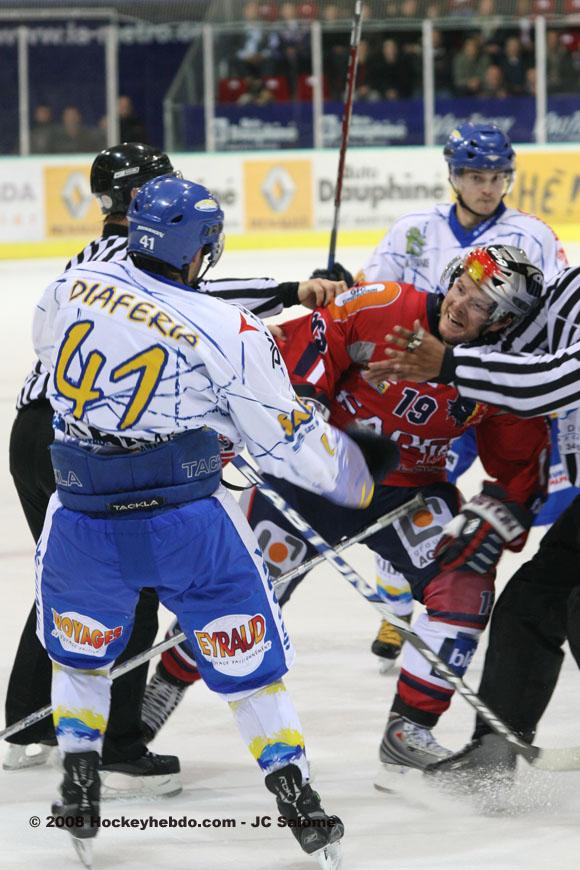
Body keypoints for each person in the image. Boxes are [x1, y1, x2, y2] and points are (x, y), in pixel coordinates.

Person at [33, 174, 390, 867]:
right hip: (186, 525)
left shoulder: (74, 281)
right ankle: (295, 794)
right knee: (249, 664)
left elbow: (61, 366)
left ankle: (79, 776)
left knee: (81, 655)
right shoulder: (231, 329)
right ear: (201, 248)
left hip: (81, 517)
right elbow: (284, 441)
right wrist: (356, 470)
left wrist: (193, 413)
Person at [141, 245, 549, 767]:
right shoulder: (381, 305)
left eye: (480, 305)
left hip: (409, 494)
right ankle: (165, 686)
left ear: (503, 323)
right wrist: (302, 403)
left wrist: (499, 509)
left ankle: (409, 731)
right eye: (463, 287)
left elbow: (520, 461)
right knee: (235, 599)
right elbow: (310, 339)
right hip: (316, 474)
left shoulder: (499, 373)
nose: (460, 305)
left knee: (465, 584)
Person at [312, 121, 569, 668]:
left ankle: (413, 598)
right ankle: (397, 607)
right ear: (454, 176)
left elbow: (548, 314)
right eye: (475, 176)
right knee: (397, 483)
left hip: (482, 387)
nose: (487, 187)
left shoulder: (534, 235)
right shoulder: (414, 228)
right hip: (407, 377)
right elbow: (371, 289)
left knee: (430, 492)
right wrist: (337, 281)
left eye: (497, 177)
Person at [362, 263, 580, 784]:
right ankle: (493, 755)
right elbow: (526, 344)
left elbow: (555, 383)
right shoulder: (568, 290)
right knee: (529, 604)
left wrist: (452, 364)